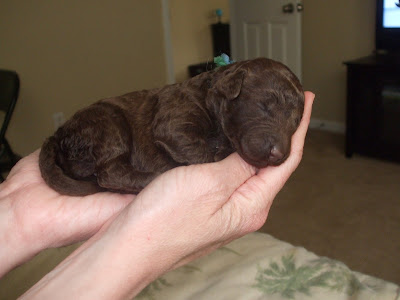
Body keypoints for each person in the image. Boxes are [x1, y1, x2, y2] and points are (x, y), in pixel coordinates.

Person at [0, 92, 314, 299]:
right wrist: (143, 249)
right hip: (101, 129)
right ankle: (114, 173)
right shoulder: (187, 106)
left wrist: (15, 216)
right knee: (110, 134)